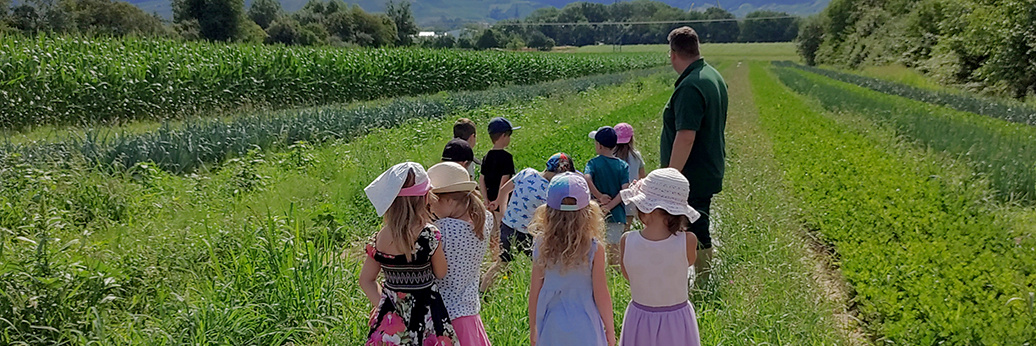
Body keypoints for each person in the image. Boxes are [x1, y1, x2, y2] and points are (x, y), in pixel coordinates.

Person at [358, 162, 458, 345]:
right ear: (425, 197)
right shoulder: (429, 234)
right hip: (426, 315)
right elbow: (441, 272)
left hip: (392, 322)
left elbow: (365, 279)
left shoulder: (382, 236)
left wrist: (383, 306)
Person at [660, 26, 729, 286]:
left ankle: (701, 284)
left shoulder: (690, 86)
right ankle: (698, 280)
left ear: (673, 54)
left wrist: (670, 177)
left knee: (696, 228)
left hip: (692, 174)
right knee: (697, 225)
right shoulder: (712, 76)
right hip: (706, 167)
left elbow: (686, 136)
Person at [527, 172, 616, 346]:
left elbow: (535, 291)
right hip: (586, 324)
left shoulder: (541, 245)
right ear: (588, 212)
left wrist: (533, 328)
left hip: (551, 325)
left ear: (548, 213)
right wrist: (610, 330)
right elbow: (601, 293)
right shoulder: (594, 248)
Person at [618, 168, 703, 345]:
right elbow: (687, 262)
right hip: (676, 320)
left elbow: (629, 276)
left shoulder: (627, 241)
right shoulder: (688, 241)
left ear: (645, 207)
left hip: (639, 319)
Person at [480, 153, 576, 291]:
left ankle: (483, 291)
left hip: (508, 226)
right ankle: (546, 292)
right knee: (543, 265)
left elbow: (504, 190)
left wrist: (503, 212)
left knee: (501, 263)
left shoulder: (527, 172)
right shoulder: (550, 190)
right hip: (529, 233)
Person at [427, 162, 493, 345]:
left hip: (445, 316)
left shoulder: (441, 230)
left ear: (448, 201)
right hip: (470, 311)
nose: (430, 209)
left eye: (431, 202)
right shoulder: (486, 219)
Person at [584, 126, 630, 266]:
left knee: (598, 247)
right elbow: (625, 190)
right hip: (617, 214)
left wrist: (599, 197)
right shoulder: (622, 165)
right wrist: (610, 206)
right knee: (615, 248)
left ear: (599, 145)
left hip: (597, 213)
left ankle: (601, 274)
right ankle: (616, 275)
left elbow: (586, 178)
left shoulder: (593, 163)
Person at [613, 122, 646, 234]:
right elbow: (642, 177)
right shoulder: (636, 156)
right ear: (631, 138)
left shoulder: (611, 156)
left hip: (614, 199)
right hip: (631, 199)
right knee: (626, 231)